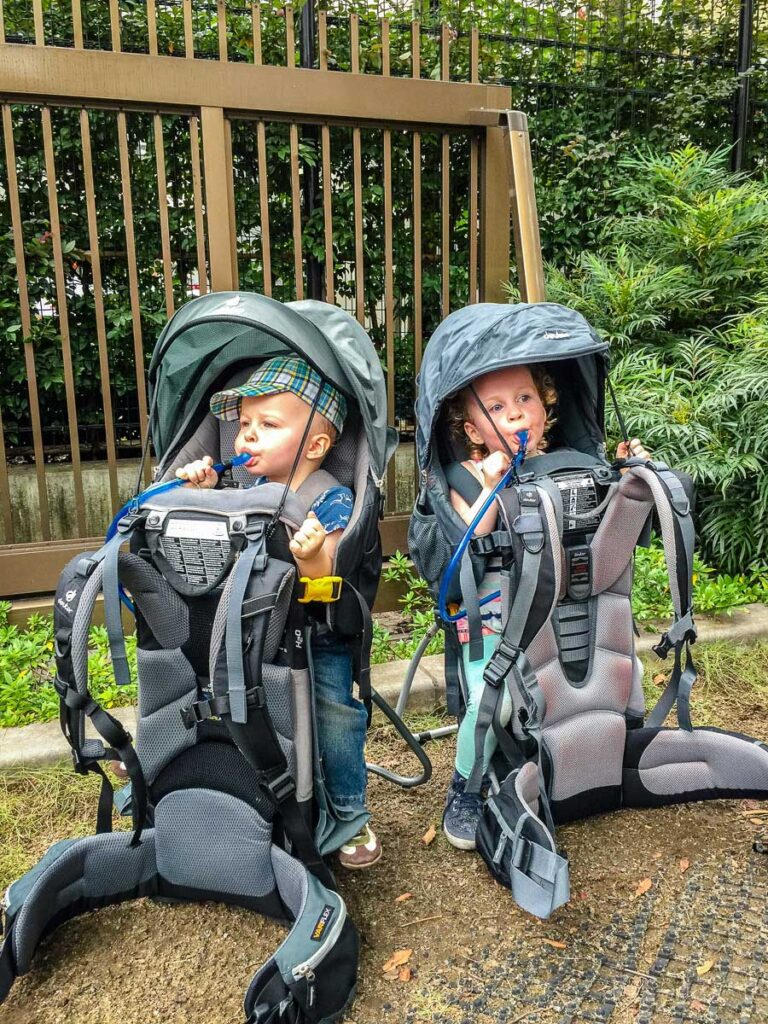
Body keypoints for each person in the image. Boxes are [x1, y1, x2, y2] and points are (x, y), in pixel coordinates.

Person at [117, 355, 381, 869]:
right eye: (243, 425)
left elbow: (331, 570)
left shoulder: (329, 498)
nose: (246, 437)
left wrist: (311, 555)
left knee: (336, 714)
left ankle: (349, 811)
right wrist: (199, 491)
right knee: (189, 692)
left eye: (268, 425)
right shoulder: (234, 484)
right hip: (236, 629)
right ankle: (170, 776)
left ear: (315, 444)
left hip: (311, 632)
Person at [441, 363, 650, 850]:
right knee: (495, 702)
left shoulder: (571, 466)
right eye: (496, 408)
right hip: (496, 616)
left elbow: (607, 532)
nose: (515, 414)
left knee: (619, 667)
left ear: (546, 405)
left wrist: (624, 476)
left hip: (560, 611)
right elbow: (467, 539)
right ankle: (465, 787)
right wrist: (493, 482)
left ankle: (609, 749)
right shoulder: (470, 476)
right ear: (474, 431)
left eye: (524, 400)